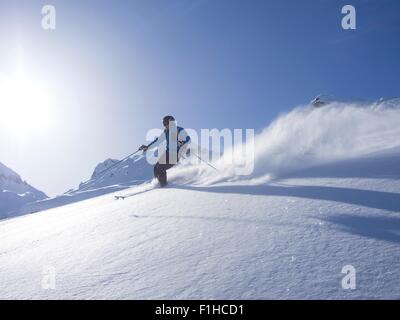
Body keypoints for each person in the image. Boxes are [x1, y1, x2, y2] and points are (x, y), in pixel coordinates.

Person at [139, 115, 191, 187]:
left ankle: (164, 186)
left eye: (165, 123)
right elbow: (158, 141)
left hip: (175, 154)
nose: (164, 125)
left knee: (160, 168)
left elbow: (188, 139)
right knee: (156, 168)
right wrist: (147, 147)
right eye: (163, 124)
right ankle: (158, 183)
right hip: (167, 153)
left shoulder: (179, 130)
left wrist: (183, 142)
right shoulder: (166, 132)